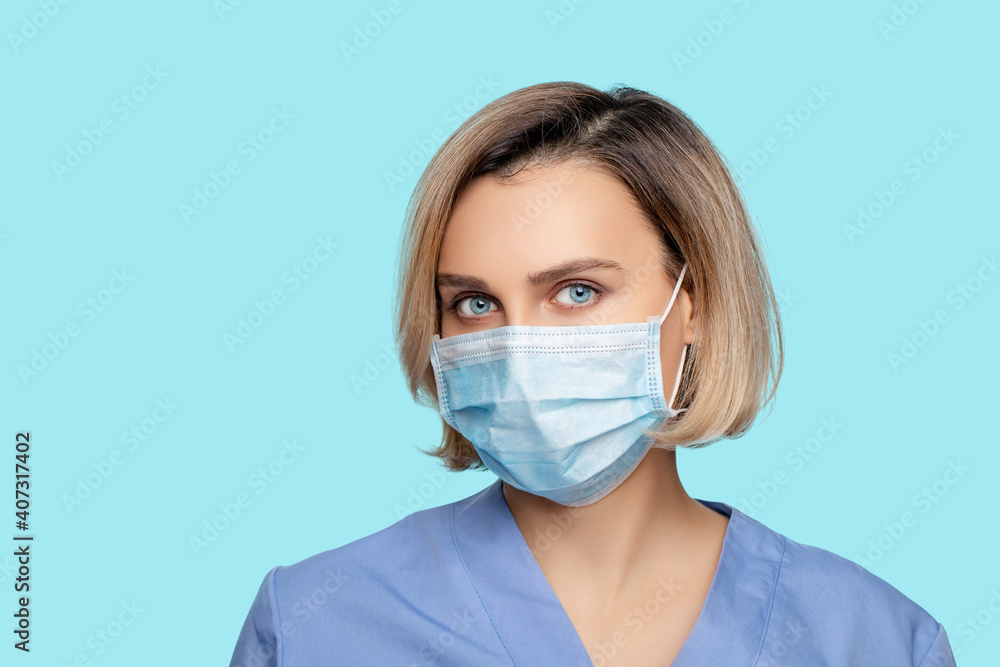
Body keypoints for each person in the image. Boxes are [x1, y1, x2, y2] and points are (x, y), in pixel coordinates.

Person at [230, 82, 956, 666]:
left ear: (693, 302)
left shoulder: (873, 639)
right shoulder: (316, 624)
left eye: (577, 291)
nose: (518, 350)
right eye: (475, 303)